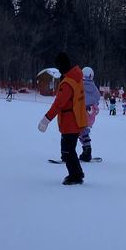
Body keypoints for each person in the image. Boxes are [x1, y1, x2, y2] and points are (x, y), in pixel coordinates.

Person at [37, 52, 87, 185]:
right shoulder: (77, 79)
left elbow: (58, 104)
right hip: (76, 120)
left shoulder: (67, 83)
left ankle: (75, 175)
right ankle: (77, 173)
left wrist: (45, 120)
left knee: (67, 151)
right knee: (69, 150)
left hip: (70, 122)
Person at [78, 66, 101, 162]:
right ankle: (87, 150)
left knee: (75, 133)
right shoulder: (94, 88)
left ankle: (69, 152)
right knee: (84, 133)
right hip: (90, 116)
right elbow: (98, 98)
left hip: (81, 115)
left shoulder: (80, 86)